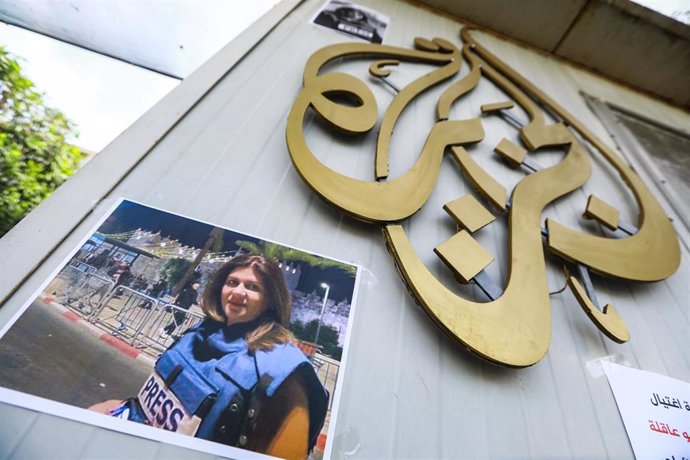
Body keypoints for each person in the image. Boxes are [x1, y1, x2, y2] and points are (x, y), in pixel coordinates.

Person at [90, 255, 328, 458]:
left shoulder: (282, 370)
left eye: (252, 287)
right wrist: (119, 408)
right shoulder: (200, 332)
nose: (238, 292)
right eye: (232, 282)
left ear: (270, 301)